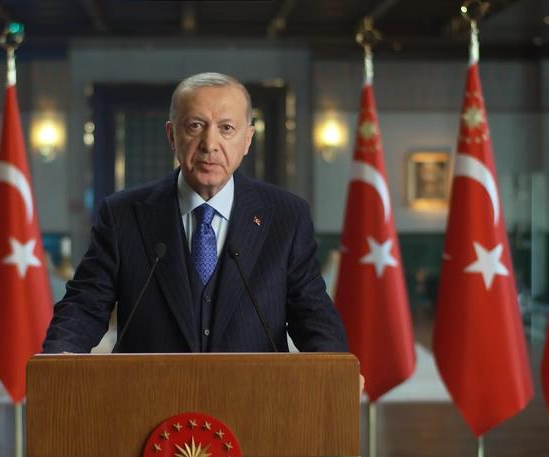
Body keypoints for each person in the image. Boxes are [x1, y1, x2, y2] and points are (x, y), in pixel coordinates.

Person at [42, 72, 347, 354]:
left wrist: (337, 373)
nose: (209, 144)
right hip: (149, 392)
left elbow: (312, 315)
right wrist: (56, 362)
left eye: (226, 128)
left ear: (247, 139)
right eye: (195, 126)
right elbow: (84, 306)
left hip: (253, 393)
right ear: (172, 135)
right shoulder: (123, 215)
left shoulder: (286, 216)